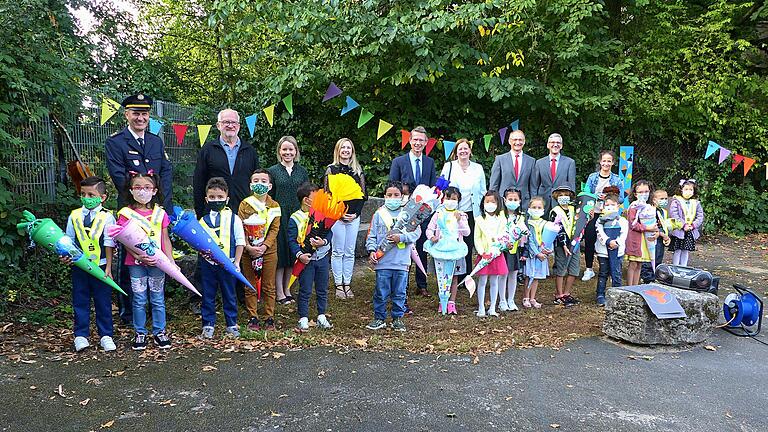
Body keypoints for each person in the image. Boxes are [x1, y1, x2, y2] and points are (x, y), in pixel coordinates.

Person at [104, 93, 172, 326]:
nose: (140, 117)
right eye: (136, 113)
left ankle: (156, 308)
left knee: (158, 256)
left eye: (144, 113)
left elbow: (165, 173)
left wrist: (161, 202)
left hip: (155, 209)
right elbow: (118, 176)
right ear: (127, 115)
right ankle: (129, 312)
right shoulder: (115, 142)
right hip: (130, 209)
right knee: (131, 260)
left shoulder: (156, 141)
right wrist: (138, 199)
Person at [116, 172, 174, 351]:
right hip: (136, 263)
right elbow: (123, 239)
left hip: (158, 263)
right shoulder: (126, 214)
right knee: (139, 299)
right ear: (131, 190)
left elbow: (165, 238)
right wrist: (137, 255)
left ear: (154, 190)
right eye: (138, 188)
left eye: (147, 188)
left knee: (157, 298)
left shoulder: (160, 214)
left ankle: (159, 331)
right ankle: (140, 332)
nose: (143, 191)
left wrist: (170, 260)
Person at [63, 176, 117, 352]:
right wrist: (64, 256)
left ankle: (106, 335)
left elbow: (110, 243)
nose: (87, 198)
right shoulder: (74, 215)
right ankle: (81, 335)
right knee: (80, 299)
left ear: (102, 197)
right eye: (83, 194)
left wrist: (108, 267)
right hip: (79, 266)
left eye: (91, 194)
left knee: (103, 301)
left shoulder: (108, 217)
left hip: (100, 266)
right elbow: (68, 240)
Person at [365, 181, 421, 331]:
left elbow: (416, 233)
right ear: (384, 196)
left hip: (401, 261)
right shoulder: (379, 214)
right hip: (383, 261)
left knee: (400, 293)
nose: (392, 197)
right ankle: (379, 318)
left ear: (402, 197)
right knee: (381, 292)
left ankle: (397, 318)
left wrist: (401, 238)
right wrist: (371, 251)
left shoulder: (408, 214)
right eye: (389, 195)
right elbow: (371, 235)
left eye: (396, 195)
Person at [389, 126, 436, 296]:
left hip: (423, 213)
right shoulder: (399, 162)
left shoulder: (430, 163)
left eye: (421, 140)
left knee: (422, 246)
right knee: (404, 248)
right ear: (410, 140)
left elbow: (432, 189)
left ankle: (421, 284)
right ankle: (402, 285)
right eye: (415, 139)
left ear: (425, 143)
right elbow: (392, 186)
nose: (418, 143)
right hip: (404, 213)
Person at [198, 177, 244, 339]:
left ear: (227, 198)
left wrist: (237, 262)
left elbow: (240, 241)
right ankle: (208, 325)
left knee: (229, 294)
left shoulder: (234, 219)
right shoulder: (202, 221)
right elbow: (198, 242)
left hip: (229, 263)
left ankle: (231, 323)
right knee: (208, 294)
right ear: (206, 199)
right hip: (208, 264)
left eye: (220, 197)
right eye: (212, 197)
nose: (216, 200)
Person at [193, 108, 261, 218]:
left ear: (238, 126)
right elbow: (198, 182)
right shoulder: (208, 150)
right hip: (214, 212)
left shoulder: (250, 150)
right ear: (218, 125)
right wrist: (201, 212)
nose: (230, 125)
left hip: (244, 211)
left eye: (233, 122)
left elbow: (256, 182)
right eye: (226, 122)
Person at [324, 138, 367, 300]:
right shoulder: (331, 170)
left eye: (349, 147)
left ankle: (347, 283)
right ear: (338, 150)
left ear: (352, 151)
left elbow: (363, 195)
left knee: (349, 251)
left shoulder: (357, 170)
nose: (346, 150)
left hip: (354, 216)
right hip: (337, 216)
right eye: (343, 147)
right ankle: (338, 285)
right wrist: (339, 213)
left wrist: (355, 214)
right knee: (337, 250)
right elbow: (327, 195)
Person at [267, 136, 308, 304]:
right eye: (284, 149)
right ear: (279, 151)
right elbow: (269, 197)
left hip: (297, 217)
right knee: (281, 254)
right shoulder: (273, 171)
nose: (287, 152)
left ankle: (288, 289)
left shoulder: (302, 171)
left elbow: (307, 195)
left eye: (291, 149)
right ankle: (279, 293)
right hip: (279, 216)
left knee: (293, 253)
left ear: (296, 151)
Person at [239, 169, 281, 331]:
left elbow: (274, 229)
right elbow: (241, 227)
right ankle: (253, 317)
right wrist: (248, 247)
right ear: (251, 185)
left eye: (263, 181)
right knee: (249, 284)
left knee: (269, 285)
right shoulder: (245, 204)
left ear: (269, 186)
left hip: (269, 250)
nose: (259, 184)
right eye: (256, 181)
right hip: (248, 250)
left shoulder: (275, 206)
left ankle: (269, 317)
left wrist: (264, 246)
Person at [288, 182, 333, 332]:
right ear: (306, 200)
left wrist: (324, 242)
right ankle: (303, 318)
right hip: (306, 260)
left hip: (322, 258)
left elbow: (329, 232)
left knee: (322, 289)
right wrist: (300, 255)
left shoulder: (322, 213)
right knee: (305, 289)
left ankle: (321, 315)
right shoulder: (295, 218)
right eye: (317, 197)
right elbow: (292, 240)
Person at [440, 139, 486, 278]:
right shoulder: (449, 166)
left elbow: (483, 190)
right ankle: (454, 274)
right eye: (460, 149)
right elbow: (440, 188)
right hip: (453, 212)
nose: (463, 151)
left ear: (470, 151)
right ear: (455, 151)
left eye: (466, 148)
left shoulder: (478, 168)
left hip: (472, 212)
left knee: (468, 242)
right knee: (454, 241)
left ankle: (467, 275)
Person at [425, 186, 470, 315]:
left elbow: (466, 233)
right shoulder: (438, 214)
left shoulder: (461, 215)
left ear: (458, 200)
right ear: (443, 198)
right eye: (448, 198)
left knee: (454, 276)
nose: (450, 201)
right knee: (441, 276)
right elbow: (429, 229)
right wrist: (432, 237)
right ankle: (442, 300)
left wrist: (460, 220)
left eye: (454, 199)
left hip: (456, 250)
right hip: (440, 249)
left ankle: (451, 302)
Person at [581, 150, 625, 282]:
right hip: (593, 213)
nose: (606, 163)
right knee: (589, 239)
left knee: (609, 241)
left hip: (610, 214)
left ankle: (611, 271)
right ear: (600, 162)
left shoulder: (617, 179)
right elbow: (586, 193)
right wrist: (595, 197)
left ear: (613, 163)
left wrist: (609, 197)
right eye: (604, 160)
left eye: (609, 161)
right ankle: (589, 269)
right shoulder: (592, 177)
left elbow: (621, 198)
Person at [473, 191, 508, 317]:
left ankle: (492, 307)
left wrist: (499, 248)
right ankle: (481, 307)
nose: (490, 204)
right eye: (487, 201)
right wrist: (482, 252)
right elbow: (477, 238)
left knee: (495, 281)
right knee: (482, 281)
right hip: (484, 255)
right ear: (483, 203)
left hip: (497, 254)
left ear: (498, 203)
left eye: (493, 202)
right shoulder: (479, 220)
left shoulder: (502, 219)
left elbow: (504, 235)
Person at [549, 186, 581, 307]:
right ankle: (559, 295)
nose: (563, 197)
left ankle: (567, 293)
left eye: (566, 195)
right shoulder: (555, 211)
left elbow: (581, 223)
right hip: (561, 245)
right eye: (560, 195)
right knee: (561, 268)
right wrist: (563, 245)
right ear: (557, 197)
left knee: (574, 268)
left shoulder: (575, 209)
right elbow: (557, 229)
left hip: (575, 243)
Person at [594, 194, 628, 305]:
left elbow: (624, 234)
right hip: (603, 252)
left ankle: (617, 293)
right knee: (603, 273)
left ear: (618, 206)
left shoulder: (622, 221)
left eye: (612, 205)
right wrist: (608, 241)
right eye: (607, 205)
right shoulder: (599, 221)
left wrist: (616, 243)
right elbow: (599, 232)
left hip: (618, 251)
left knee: (616, 272)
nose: (609, 207)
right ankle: (600, 294)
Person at [489, 129, 536, 209]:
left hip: (524, 204)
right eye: (515, 140)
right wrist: (493, 202)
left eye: (520, 140)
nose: (517, 142)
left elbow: (533, 187)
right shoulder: (500, 159)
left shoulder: (531, 161)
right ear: (509, 141)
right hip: (503, 204)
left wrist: (534, 203)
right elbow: (494, 185)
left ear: (524, 142)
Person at [625, 180, 659, 286]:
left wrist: (656, 231)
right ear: (635, 194)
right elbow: (633, 224)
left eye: (646, 191)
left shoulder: (649, 207)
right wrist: (647, 228)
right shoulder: (634, 206)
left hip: (645, 240)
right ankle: (630, 286)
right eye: (640, 192)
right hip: (635, 239)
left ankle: (636, 285)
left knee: (640, 264)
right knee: (633, 263)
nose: (644, 194)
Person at [531, 133, 576, 212]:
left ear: (561, 146)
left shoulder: (570, 162)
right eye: (552, 142)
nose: (555, 145)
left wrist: (570, 204)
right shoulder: (539, 163)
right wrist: (534, 202)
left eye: (558, 143)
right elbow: (535, 185)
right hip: (542, 204)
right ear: (548, 145)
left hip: (561, 204)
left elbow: (571, 186)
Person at [500, 188, 527, 311]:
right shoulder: (500, 215)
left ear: (520, 201)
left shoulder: (520, 217)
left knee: (513, 274)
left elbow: (523, 231)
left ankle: (511, 299)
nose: (512, 201)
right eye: (510, 199)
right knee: (503, 274)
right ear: (505, 200)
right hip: (503, 249)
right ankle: (502, 300)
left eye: (515, 199)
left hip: (514, 249)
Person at [523, 196, 551, 308]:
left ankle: (533, 298)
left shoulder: (545, 223)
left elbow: (549, 238)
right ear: (529, 208)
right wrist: (536, 253)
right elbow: (529, 241)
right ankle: (526, 297)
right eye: (534, 207)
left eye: (539, 207)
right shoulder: (527, 223)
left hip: (542, 254)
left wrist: (548, 250)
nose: (536, 209)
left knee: (536, 277)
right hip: (532, 254)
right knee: (529, 275)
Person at [668, 179, 704, 267]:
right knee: (678, 250)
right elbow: (674, 214)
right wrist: (683, 225)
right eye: (686, 189)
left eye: (691, 190)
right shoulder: (676, 201)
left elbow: (700, 216)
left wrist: (693, 225)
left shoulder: (696, 203)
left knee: (685, 249)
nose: (688, 192)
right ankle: (675, 267)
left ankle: (684, 267)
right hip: (679, 230)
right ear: (681, 190)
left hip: (690, 230)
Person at [641, 189, 672, 283]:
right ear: (654, 200)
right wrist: (662, 234)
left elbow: (663, 224)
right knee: (649, 260)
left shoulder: (663, 211)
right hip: (651, 238)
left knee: (658, 258)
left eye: (666, 198)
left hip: (660, 239)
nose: (664, 200)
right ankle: (647, 279)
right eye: (661, 198)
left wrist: (666, 235)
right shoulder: (650, 210)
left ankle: (655, 277)